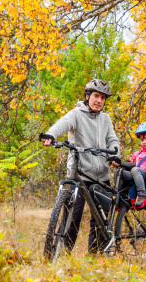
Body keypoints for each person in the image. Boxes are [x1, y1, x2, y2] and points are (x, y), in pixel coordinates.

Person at [40, 78, 121, 254]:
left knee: (100, 220)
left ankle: (95, 257)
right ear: (88, 96)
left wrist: (115, 154)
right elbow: (62, 124)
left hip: (101, 175)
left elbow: (113, 139)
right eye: (96, 96)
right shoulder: (76, 114)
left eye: (103, 98)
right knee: (72, 217)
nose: (99, 100)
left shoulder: (106, 119)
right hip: (79, 174)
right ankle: (62, 254)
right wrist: (50, 135)